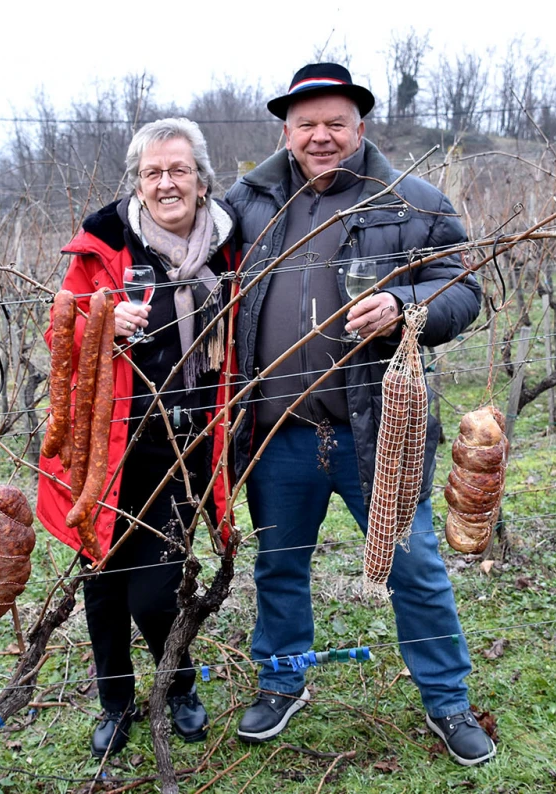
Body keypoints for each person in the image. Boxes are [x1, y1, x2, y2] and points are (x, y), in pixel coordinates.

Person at [224, 63, 494, 766]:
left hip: (379, 432)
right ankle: (283, 681)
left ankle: (448, 700)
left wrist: (410, 310)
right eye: (306, 124)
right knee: (279, 565)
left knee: (415, 566)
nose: (321, 136)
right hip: (279, 433)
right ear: (285, 131)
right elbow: (180, 246)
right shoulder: (251, 203)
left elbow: (463, 290)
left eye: (334, 123)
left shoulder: (411, 202)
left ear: (360, 127)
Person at [36, 118, 237, 758]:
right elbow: (58, 336)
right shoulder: (103, 246)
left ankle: (176, 685)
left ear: (202, 181)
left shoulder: (231, 250)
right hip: (108, 446)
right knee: (103, 580)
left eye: (178, 170)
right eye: (153, 172)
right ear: (138, 182)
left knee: (156, 591)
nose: (166, 182)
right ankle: (116, 703)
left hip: (185, 446)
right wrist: (101, 319)